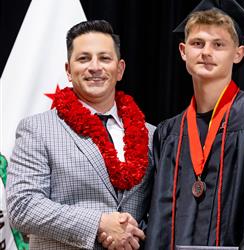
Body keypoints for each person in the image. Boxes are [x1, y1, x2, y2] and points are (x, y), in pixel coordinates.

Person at [145, 0, 244, 249]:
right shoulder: (168, 133)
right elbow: (156, 222)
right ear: (183, 51)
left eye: (218, 45)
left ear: (238, 53)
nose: (206, 52)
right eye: (198, 44)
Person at [6, 20, 155, 250]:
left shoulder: (153, 135)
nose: (95, 67)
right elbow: (23, 207)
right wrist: (98, 223)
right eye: (84, 58)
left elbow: (162, 207)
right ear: (68, 70)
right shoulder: (37, 129)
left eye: (105, 58)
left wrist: (132, 232)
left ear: (120, 69)